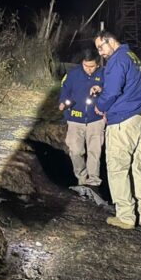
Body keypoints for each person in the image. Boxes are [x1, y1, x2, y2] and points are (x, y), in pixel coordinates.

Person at [93, 30, 141, 230]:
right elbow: (129, 86)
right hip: (139, 120)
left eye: (101, 47)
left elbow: (113, 92)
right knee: (137, 167)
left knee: (118, 168)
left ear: (110, 41)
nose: (100, 53)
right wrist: (106, 89)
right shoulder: (131, 57)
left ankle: (125, 216)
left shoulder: (116, 61)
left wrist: (101, 104)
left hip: (122, 123)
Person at [59, 47, 105, 187]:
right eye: (86, 66)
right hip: (75, 119)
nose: (88, 69)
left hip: (96, 120)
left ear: (97, 63)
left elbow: (111, 91)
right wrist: (63, 103)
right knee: (75, 151)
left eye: (92, 66)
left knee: (94, 152)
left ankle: (94, 181)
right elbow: (64, 90)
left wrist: (101, 90)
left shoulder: (105, 74)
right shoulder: (73, 74)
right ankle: (81, 177)